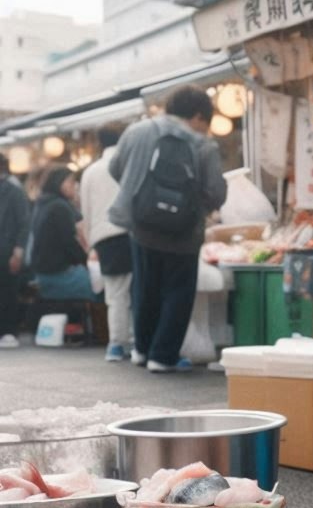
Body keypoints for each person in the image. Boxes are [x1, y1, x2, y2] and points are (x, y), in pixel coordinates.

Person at [108, 85, 227, 373]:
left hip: (142, 225)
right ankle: (162, 356)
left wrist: (141, 193)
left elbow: (114, 167)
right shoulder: (203, 145)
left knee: (145, 286)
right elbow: (216, 193)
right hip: (183, 232)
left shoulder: (137, 131)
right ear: (198, 116)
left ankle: (142, 349)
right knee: (178, 291)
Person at [80, 126, 134, 362]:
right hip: (130, 232)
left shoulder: (90, 171)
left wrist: (92, 241)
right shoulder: (129, 164)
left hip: (103, 237)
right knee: (136, 292)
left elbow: (86, 210)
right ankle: (131, 341)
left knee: (115, 293)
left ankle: (116, 344)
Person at [30, 165, 95, 302]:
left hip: (42, 275)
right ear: (59, 183)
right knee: (100, 290)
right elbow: (71, 242)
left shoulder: (43, 203)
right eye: (70, 181)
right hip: (59, 274)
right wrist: (87, 261)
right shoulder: (59, 206)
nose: (74, 185)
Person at [0, 153, 31, 348]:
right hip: (6, 248)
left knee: (8, 291)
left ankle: (9, 331)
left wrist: (18, 252)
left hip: (7, 249)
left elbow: (23, 223)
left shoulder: (14, 191)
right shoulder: (12, 190)